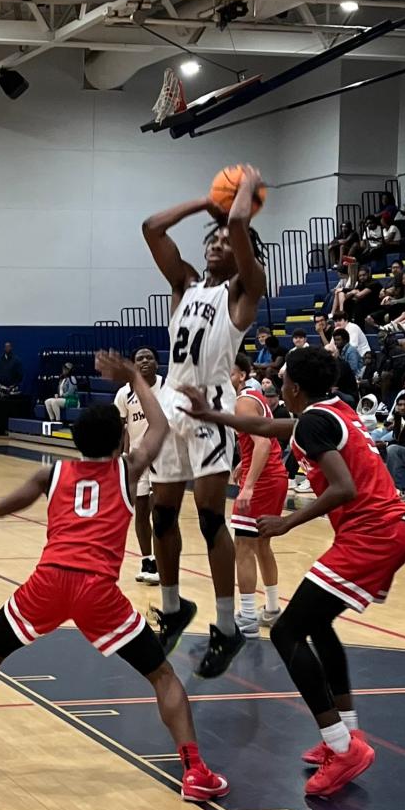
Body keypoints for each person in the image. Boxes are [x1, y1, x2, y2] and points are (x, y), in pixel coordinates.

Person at [0, 352, 228, 803]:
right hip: (99, 590)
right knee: (162, 676)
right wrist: (133, 376)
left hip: (48, 582)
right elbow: (159, 427)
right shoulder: (128, 471)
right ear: (119, 441)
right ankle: (194, 771)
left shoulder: (52, 473)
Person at [181, 345, 405, 797]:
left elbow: (344, 487)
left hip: (373, 534)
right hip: (387, 530)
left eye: (282, 379)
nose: (277, 384)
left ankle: (342, 747)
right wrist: (213, 413)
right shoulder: (332, 410)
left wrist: (288, 522)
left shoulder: (314, 421)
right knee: (316, 623)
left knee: (287, 632)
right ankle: (348, 734)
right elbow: (265, 426)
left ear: (292, 387)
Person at [141, 166, 266, 677]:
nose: (216, 243)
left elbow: (239, 232)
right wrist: (205, 201)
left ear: (241, 253)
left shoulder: (244, 291)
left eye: (224, 240)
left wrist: (236, 206)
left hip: (211, 405)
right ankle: (172, 612)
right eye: (211, 239)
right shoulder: (186, 284)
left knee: (211, 517)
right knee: (162, 516)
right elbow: (152, 227)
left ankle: (226, 626)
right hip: (171, 403)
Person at [229, 362, 288, 636]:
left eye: (228, 371)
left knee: (243, 545)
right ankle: (273, 609)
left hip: (263, 481)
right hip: (276, 475)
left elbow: (263, 443)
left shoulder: (243, 402)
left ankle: (249, 616)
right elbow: (263, 440)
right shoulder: (257, 398)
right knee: (263, 544)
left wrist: (248, 485)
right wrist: (244, 462)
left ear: (242, 374)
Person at [114, 346, 160, 585]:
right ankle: (147, 560)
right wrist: (120, 455)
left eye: (149, 357)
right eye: (139, 358)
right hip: (137, 458)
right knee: (141, 512)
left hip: (164, 457)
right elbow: (121, 428)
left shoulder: (167, 388)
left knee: (160, 511)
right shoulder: (124, 394)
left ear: (156, 363)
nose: (144, 361)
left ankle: (163, 561)